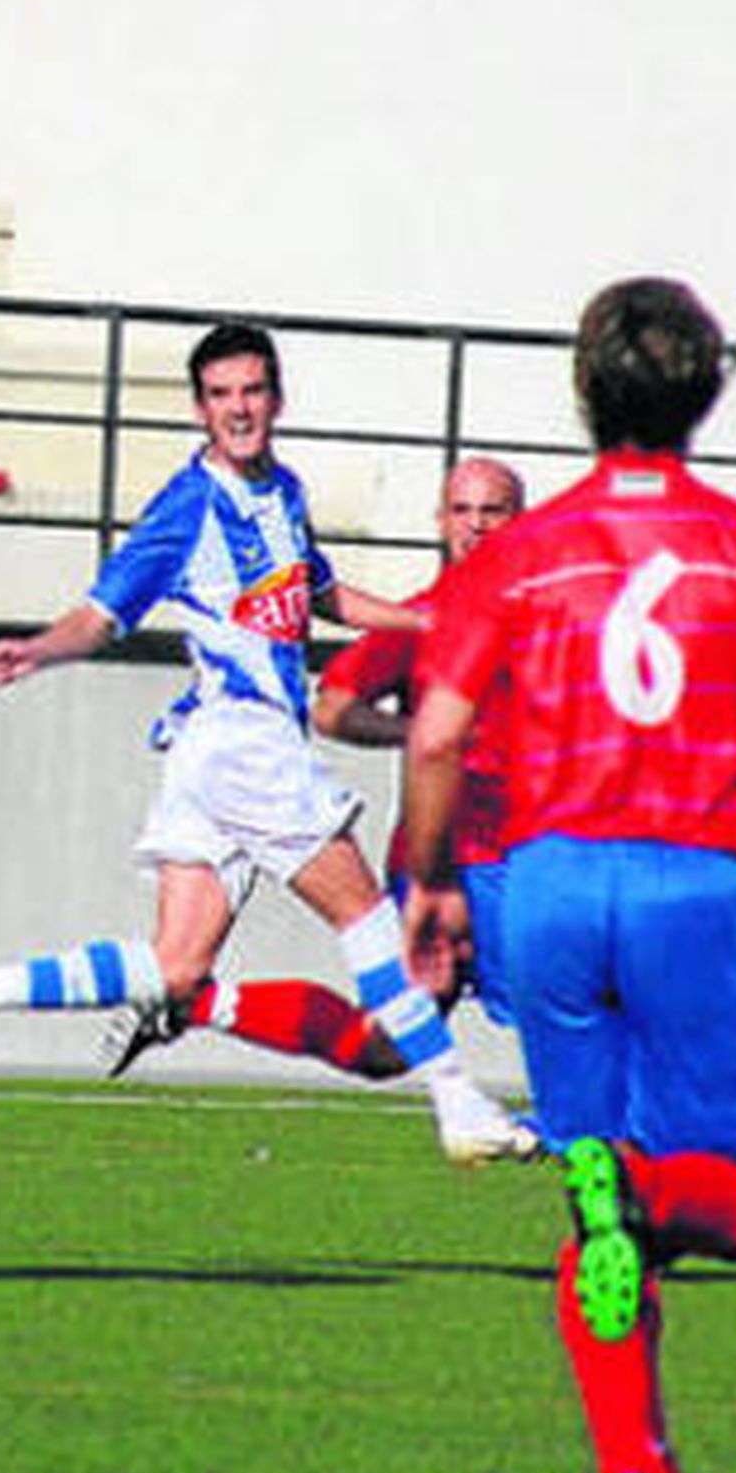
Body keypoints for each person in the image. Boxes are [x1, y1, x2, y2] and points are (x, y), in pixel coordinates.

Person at [402, 277, 736, 1473]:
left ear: (581, 389)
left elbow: (436, 733)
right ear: (708, 390)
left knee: (591, 1190)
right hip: (693, 887)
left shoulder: (521, 555)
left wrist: (433, 880)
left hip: (551, 888)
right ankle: (638, 1201)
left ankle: (633, 1461)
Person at [0, 321, 535, 1167]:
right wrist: (38, 648)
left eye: (252, 391)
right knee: (366, 915)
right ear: (200, 409)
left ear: (277, 398)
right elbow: (103, 612)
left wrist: (419, 617)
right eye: (222, 395)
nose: (239, 409)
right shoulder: (188, 505)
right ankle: (459, 1105)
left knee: (175, 971)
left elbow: (317, 592)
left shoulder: (283, 492)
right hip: (244, 742)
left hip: (213, 749)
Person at [102, 454, 530, 1088]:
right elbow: (334, 706)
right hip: (446, 861)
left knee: (386, 1051)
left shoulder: (559, 616)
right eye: (462, 511)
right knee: (572, 1005)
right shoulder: (425, 618)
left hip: (531, 854)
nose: (476, 526)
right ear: (441, 522)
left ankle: (195, 1003)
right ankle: (601, 1147)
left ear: (521, 521)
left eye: (492, 511)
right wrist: (422, 734)